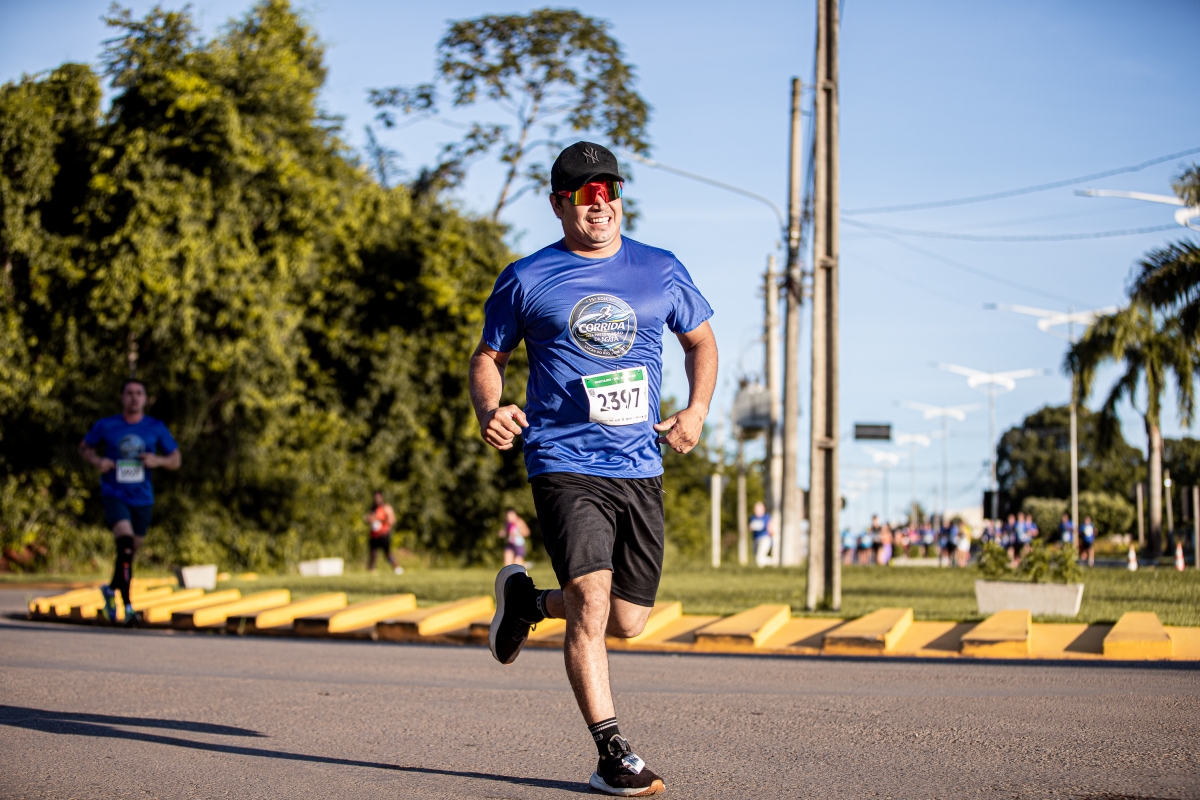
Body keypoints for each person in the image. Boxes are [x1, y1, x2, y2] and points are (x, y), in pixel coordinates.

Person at [472, 141, 716, 797]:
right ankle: (613, 754)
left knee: (628, 619)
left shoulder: (660, 269)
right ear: (559, 204)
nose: (600, 203)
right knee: (591, 598)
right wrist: (491, 409)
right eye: (585, 194)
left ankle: (529, 602)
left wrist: (696, 411)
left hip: (638, 464)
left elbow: (700, 341)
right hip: (563, 459)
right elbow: (488, 357)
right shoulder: (527, 277)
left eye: (610, 190)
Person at [78, 379, 181, 624]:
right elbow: (84, 448)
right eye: (129, 393)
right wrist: (97, 461)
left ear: (145, 398)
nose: (134, 397)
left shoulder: (155, 427)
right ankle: (128, 607)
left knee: (129, 553)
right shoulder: (107, 425)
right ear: (122, 398)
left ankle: (110, 589)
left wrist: (158, 461)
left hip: (142, 498)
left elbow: (176, 459)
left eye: (138, 393)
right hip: (114, 494)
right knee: (124, 543)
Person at [364, 491, 402, 574]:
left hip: (384, 534)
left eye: (378, 497)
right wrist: (368, 520)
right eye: (375, 497)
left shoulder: (386, 507)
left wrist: (378, 519)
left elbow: (392, 520)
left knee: (387, 553)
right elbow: (370, 519)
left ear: (382, 497)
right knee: (373, 553)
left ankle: (396, 567)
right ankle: (371, 570)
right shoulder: (373, 508)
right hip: (374, 534)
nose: (376, 499)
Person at [749, 501, 773, 567]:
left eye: (757, 508)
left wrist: (771, 534)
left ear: (763, 509)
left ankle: (773, 562)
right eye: (755, 508)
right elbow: (749, 528)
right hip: (755, 539)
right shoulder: (752, 517)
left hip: (764, 538)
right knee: (756, 556)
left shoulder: (767, 517)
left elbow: (771, 528)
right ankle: (772, 562)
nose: (755, 510)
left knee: (759, 558)